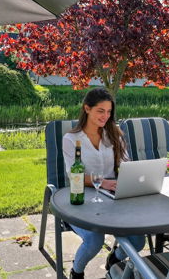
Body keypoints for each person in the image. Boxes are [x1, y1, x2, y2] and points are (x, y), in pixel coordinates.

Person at [63, 87, 146, 279]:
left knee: (137, 240)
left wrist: (131, 177)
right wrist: (104, 182)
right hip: (81, 197)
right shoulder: (72, 139)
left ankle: (115, 259)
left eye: (109, 112)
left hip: (112, 196)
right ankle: (77, 272)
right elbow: (74, 175)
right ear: (87, 109)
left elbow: (127, 165)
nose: (105, 116)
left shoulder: (114, 134)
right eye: (101, 110)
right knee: (93, 239)